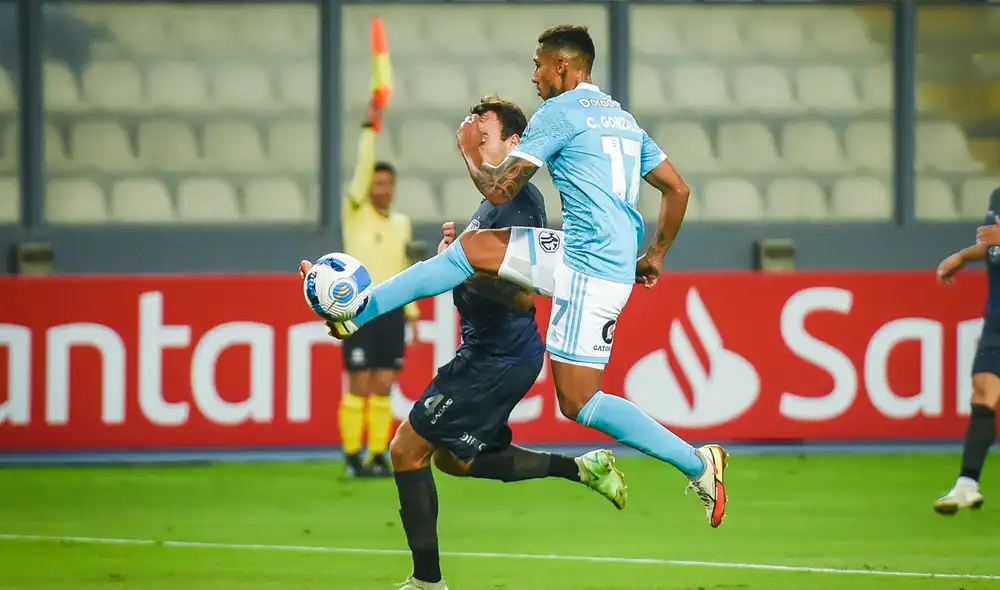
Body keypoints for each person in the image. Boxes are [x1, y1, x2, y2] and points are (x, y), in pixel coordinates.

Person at [316, 25, 728, 527]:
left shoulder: (560, 112)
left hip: (588, 269)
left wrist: (470, 149)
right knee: (470, 251)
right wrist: (655, 255)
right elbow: (678, 191)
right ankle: (358, 309)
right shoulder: (621, 118)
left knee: (579, 402)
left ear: (563, 66)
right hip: (594, 255)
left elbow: (498, 189)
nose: (533, 76)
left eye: (539, 65)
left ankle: (697, 461)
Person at [304, 96, 627, 590]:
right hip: (489, 349)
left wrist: (462, 264)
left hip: (499, 353)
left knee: (406, 450)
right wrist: (457, 257)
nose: (472, 124)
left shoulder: (521, 201)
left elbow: (521, 293)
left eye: (485, 121)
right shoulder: (493, 205)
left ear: (514, 143)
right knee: (458, 459)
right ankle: (581, 468)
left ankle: (427, 582)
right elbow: (478, 266)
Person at [338, 100, 420, 478]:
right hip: (359, 308)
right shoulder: (355, 212)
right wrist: (369, 132)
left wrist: (413, 312)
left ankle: (376, 454)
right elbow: (358, 175)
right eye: (377, 182)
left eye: (388, 184)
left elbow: (404, 266)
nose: (381, 189)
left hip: (393, 309)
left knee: (385, 381)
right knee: (360, 380)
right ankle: (352, 455)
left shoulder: (401, 223)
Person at [935, 186, 1000, 513]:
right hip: (998, 319)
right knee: (982, 393)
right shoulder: (997, 197)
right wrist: (963, 257)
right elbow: (994, 250)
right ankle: (966, 484)